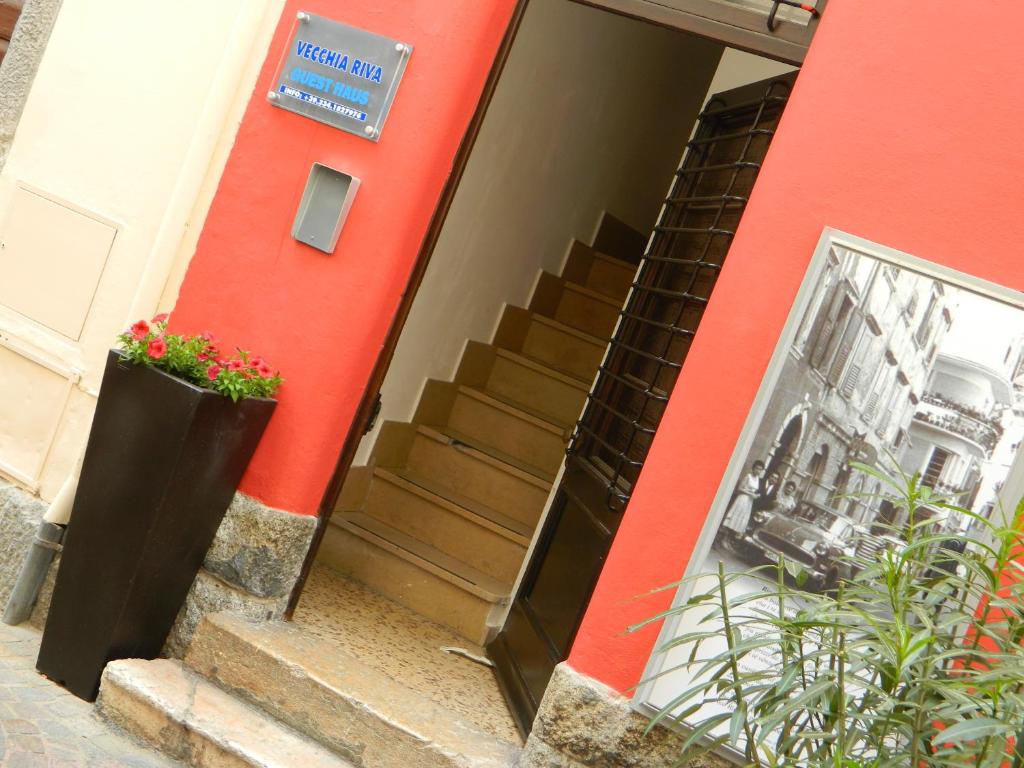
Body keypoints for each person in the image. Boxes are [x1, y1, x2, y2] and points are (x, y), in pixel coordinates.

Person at [719, 460, 765, 548]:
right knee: (734, 517)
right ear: (753, 468)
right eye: (757, 468)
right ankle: (723, 538)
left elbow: (756, 491)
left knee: (740, 520)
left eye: (760, 469)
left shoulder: (758, 480)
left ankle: (729, 540)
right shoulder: (748, 476)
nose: (758, 471)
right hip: (742, 499)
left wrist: (756, 495)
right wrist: (750, 494)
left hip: (749, 502)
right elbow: (740, 488)